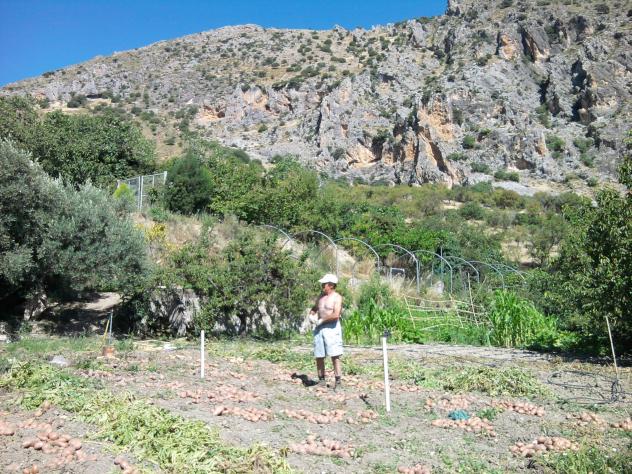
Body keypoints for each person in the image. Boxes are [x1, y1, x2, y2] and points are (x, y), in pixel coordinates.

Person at [309, 273, 343, 389]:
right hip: (319, 328)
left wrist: (322, 320)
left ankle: (338, 381)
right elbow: (314, 308)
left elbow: (336, 314)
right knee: (319, 355)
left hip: (331, 328)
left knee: (335, 355)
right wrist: (311, 315)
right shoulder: (320, 297)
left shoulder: (337, 297)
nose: (322, 286)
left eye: (324, 284)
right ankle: (321, 380)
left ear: (331, 285)